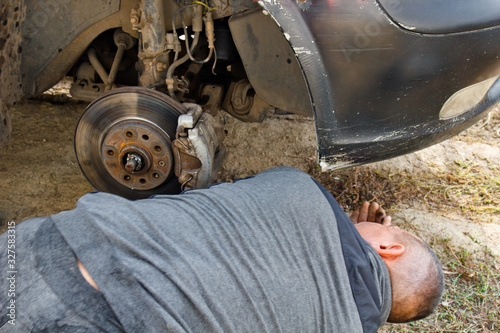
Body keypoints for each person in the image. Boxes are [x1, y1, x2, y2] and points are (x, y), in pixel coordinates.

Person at [0, 167, 443, 332]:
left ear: (388, 246)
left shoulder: (300, 189)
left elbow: (258, 220)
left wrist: (346, 225)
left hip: (37, 245)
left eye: (392, 230)